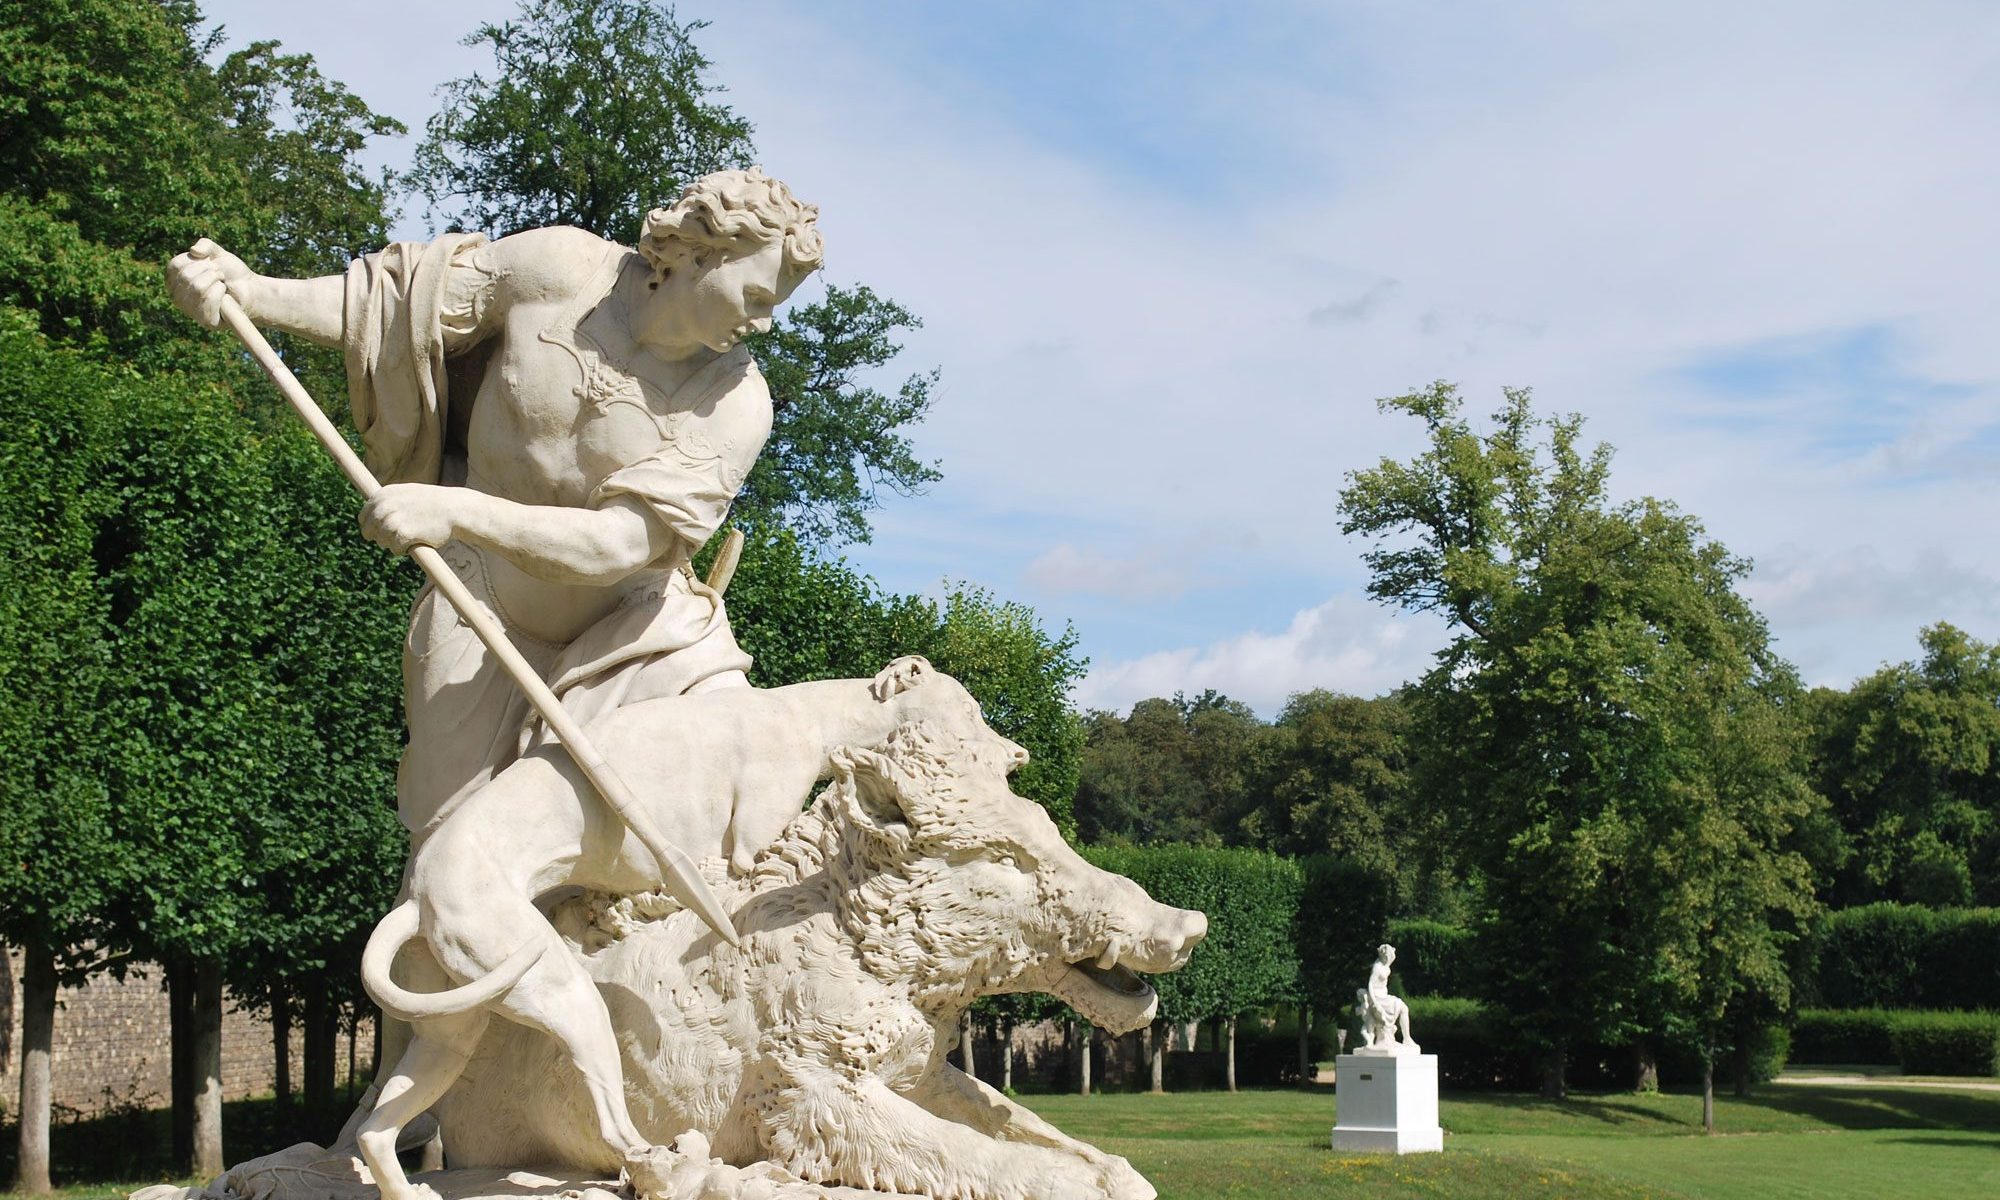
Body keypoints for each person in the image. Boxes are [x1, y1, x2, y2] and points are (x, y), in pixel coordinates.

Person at [169, 168, 823, 840]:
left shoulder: (736, 402)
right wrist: (249, 293)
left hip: (640, 637)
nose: (764, 323)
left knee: (712, 787)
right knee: (449, 843)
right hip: (482, 600)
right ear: (699, 255)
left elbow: (620, 543)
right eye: (756, 295)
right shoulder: (557, 268)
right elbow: (393, 313)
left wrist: (456, 513)